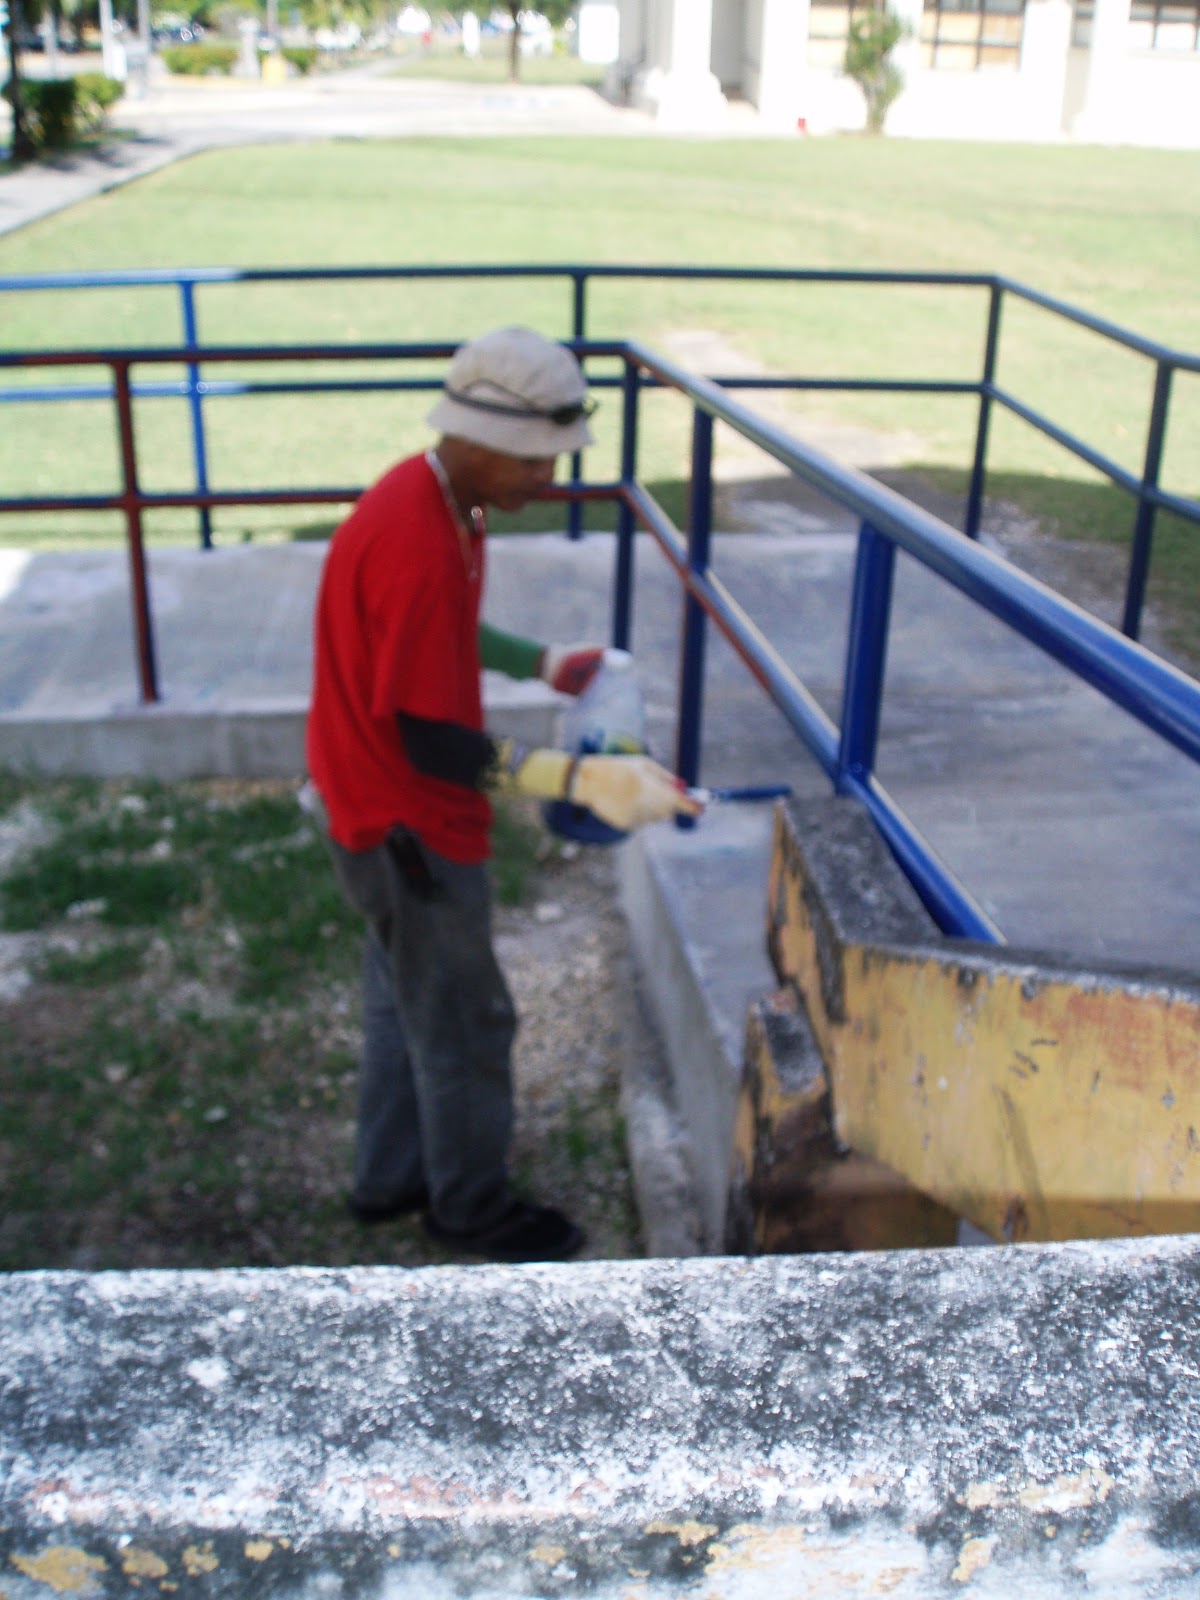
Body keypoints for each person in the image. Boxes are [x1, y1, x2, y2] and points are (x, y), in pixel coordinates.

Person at [306, 325, 701, 1264]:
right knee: (468, 1024)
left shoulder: (441, 501)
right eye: (536, 462)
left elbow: (441, 632)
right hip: (407, 823)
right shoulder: (417, 540)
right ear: (476, 438)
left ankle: (388, 1178)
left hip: (363, 801)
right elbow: (428, 738)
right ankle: (469, 1212)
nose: (549, 482)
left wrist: (542, 662)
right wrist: (573, 776)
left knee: (403, 1002)